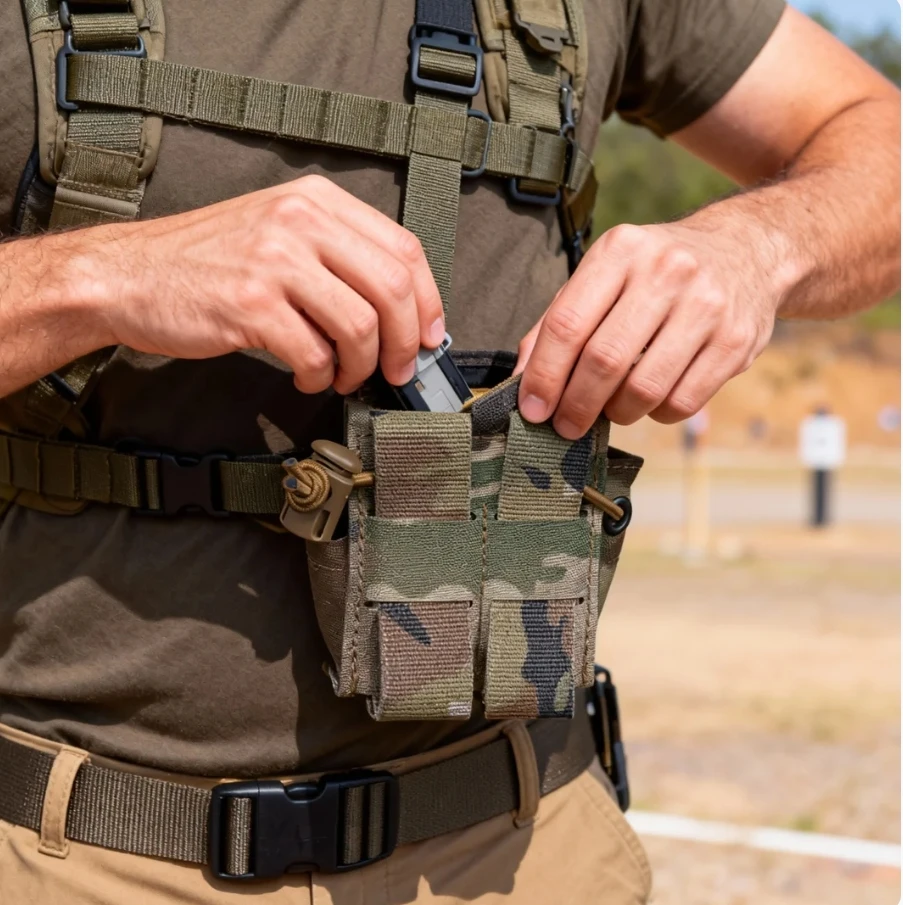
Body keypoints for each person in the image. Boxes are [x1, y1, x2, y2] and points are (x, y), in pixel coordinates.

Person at [0, 2, 898, 903]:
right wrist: (96, 279)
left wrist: (753, 246)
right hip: (77, 853)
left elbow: (876, 144)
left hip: (518, 850)